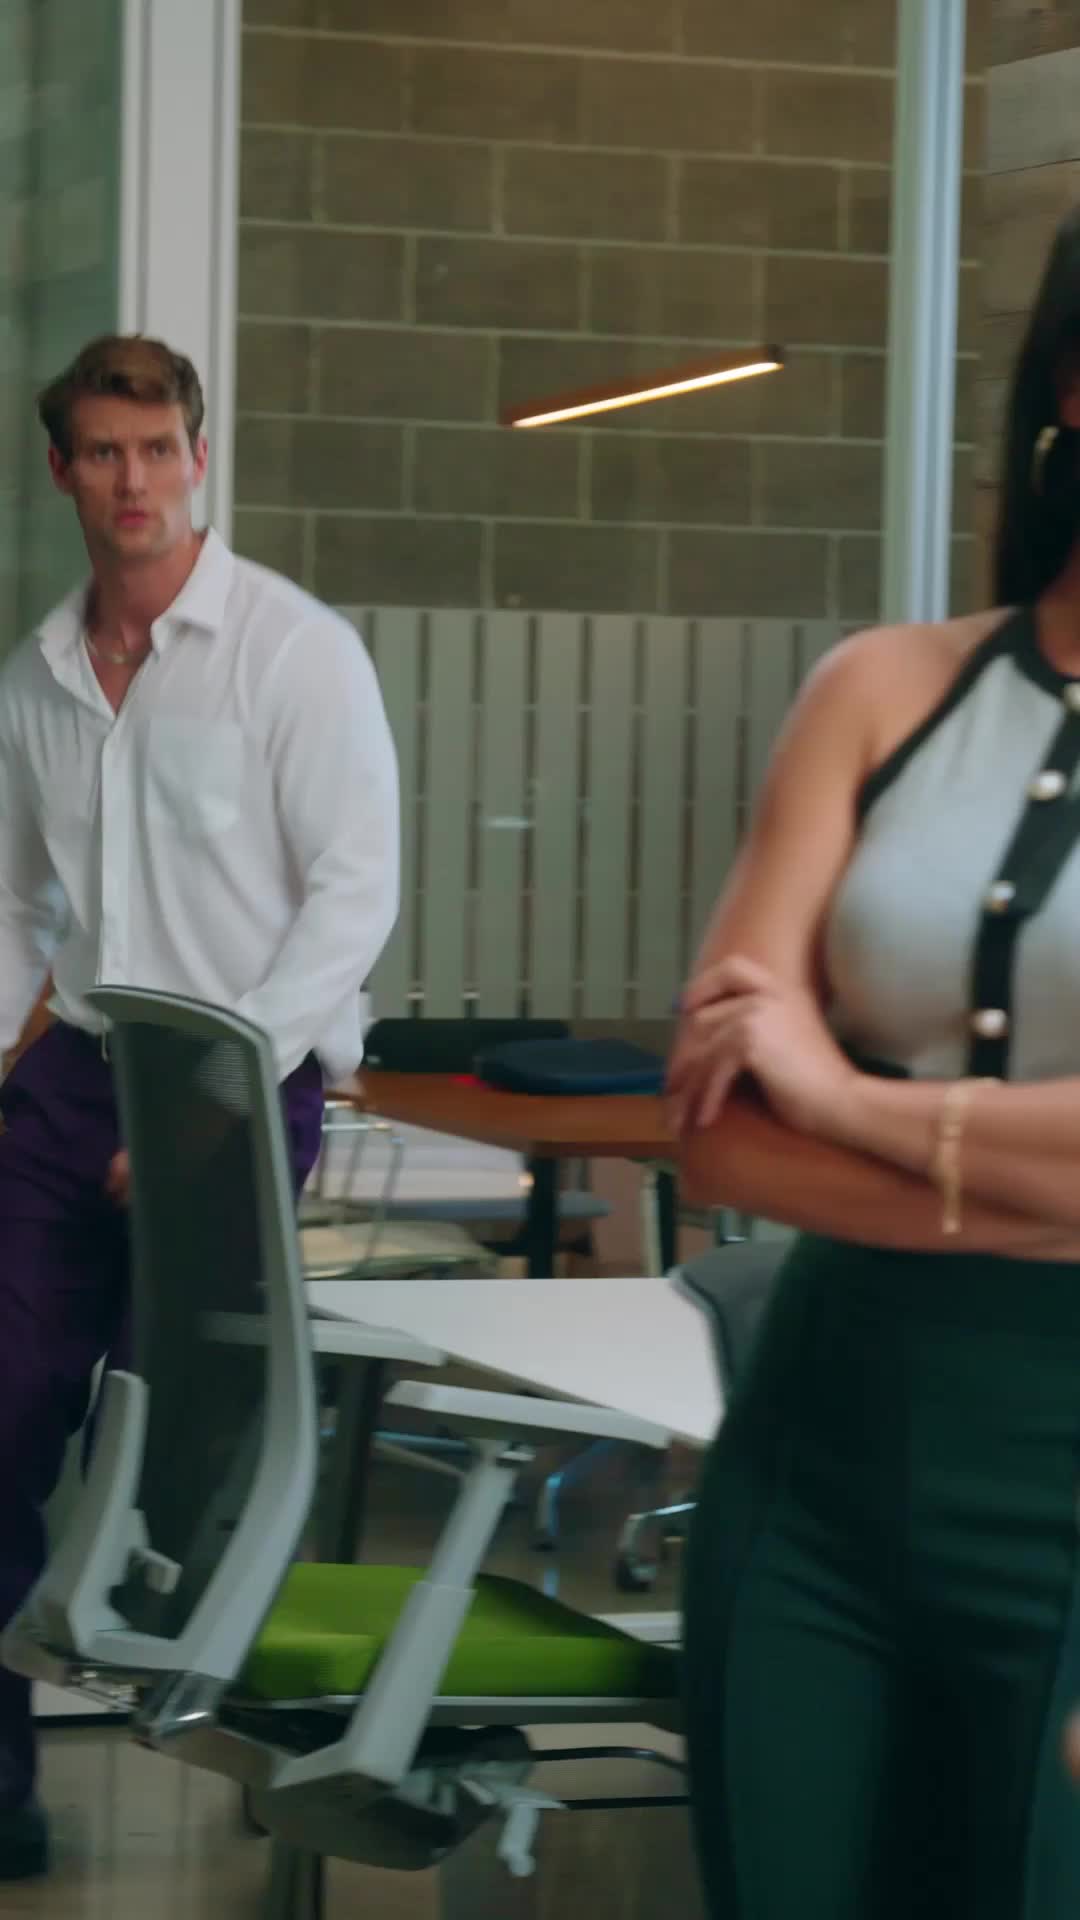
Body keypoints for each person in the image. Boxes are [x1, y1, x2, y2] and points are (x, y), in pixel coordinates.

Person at [668, 206, 1080, 1918]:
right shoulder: (879, 690)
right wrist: (1036, 1181)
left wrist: (843, 1099)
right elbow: (718, 1133)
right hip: (821, 1457)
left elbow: (790, 1103)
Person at [0, 335, 399, 1878]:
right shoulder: (37, 676)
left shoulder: (296, 654)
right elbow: (20, 904)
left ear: (199, 458)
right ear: (62, 472)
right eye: (105, 452)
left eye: (160, 448)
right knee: (2, 1409)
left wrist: (218, 1098)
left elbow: (352, 895)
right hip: (74, 1078)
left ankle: (263, 1759)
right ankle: (3, 1792)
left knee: (199, 1456)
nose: (136, 481)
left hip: (239, 1078)